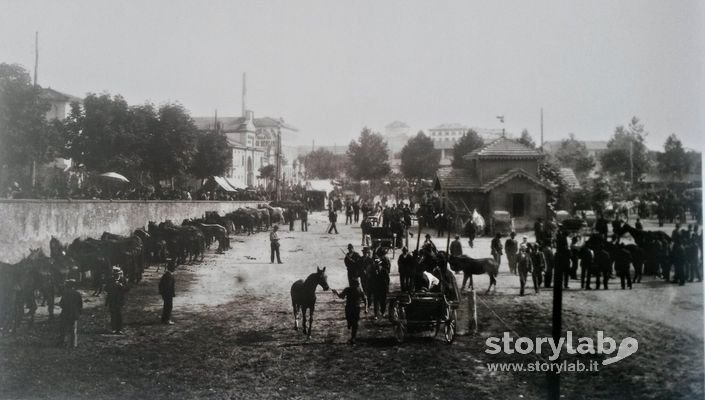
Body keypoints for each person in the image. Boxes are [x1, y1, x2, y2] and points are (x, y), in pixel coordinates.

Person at [332, 279, 366, 345]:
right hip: (356, 308)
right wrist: (366, 308)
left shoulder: (348, 289)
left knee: (353, 322)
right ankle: (353, 334)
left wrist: (336, 292)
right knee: (354, 322)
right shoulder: (359, 290)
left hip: (349, 308)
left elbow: (341, 297)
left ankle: (353, 337)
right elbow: (365, 299)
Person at [57, 279, 82, 348]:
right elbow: (80, 305)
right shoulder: (77, 293)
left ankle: (63, 342)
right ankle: (73, 344)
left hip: (65, 313)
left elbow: (61, 304)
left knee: (63, 329)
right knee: (73, 329)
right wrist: (78, 313)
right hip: (74, 313)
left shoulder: (65, 293)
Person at [105, 267, 128, 334]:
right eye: (115, 274)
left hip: (120, 300)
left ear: (119, 274)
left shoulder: (123, 280)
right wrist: (111, 286)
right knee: (113, 314)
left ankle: (119, 329)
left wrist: (121, 286)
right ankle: (114, 329)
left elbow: (127, 289)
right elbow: (106, 289)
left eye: (117, 274)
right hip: (112, 300)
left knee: (119, 314)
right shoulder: (110, 280)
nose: (116, 275)